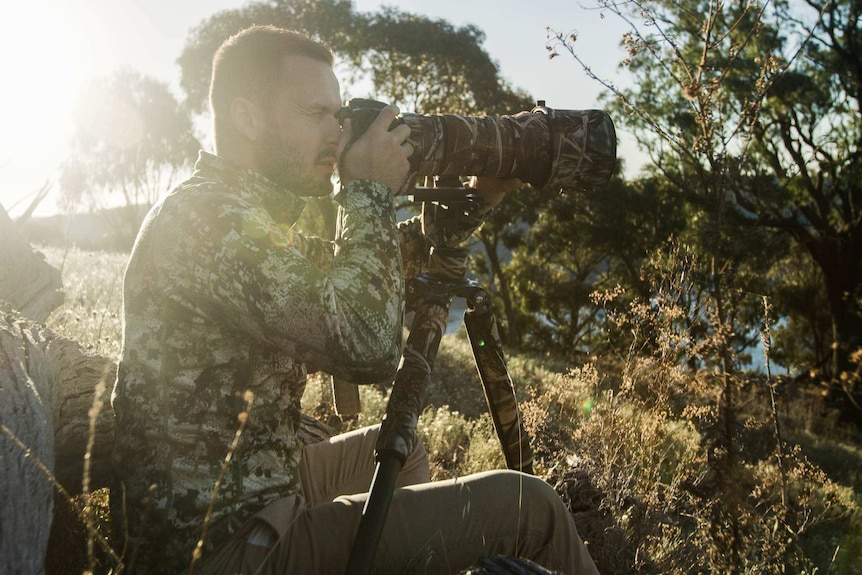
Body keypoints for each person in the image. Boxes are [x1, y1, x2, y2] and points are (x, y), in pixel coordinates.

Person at [110, 24, 600, 575]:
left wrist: (477, 198)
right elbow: (367, 345)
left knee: (404, 449)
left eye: (339, 114)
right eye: (317, 113)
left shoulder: (233, 213)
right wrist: (366, 190)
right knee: (531, 506)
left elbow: (371, 276)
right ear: (247, 117)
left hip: (248, 482)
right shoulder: (206, 224)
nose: (338, 131)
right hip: (222, 547)